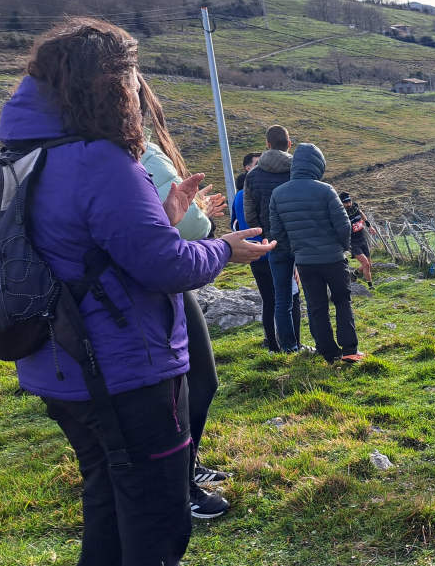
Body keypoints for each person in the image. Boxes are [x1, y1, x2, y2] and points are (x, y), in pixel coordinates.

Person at [0, 17, 274, 566]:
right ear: (105, 85)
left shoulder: (25, 155)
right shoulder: (98, 159)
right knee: (154, 487)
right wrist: (224, 249)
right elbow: (165, 265)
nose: (137, 92)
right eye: (130, 78)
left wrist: (163, 213)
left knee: (105, 477)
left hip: (56, 361)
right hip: (124, 361)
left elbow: (88, 246)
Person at [137, 73, 231, 519]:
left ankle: (183, 469)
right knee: (194, 381)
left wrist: (192, 213)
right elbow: (189, 229)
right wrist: (206, 223)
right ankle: (181, 482)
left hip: (121, 285)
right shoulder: (143, 151)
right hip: (155, 282)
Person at [268, 143, 363, 363]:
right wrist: (343, 247)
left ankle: (328, 353)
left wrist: (296, 250)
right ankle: (349, 350)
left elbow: (277, 231)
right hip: (333, 259)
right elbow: (343, 225)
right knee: (342, 301)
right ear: (317, 165)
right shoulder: (325, 190)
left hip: (304, 261)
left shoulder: (278, 194)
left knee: (316, 306)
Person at [233, 151, 303, 351]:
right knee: (289, 298)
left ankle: (273, 345)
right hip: (272, 248)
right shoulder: (266, 190)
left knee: (269, 300)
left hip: (254, 253)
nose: (263, 167)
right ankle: (293, 344)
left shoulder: (239, 196)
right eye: (257, 164)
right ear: (248, 168)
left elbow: (235, 224)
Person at [338, 190, 375, 285]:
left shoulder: (355, 206)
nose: (349, 204)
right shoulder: (340, 213)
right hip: (353, 242)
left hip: (362, 238)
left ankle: (354, 273)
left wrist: (369, 226)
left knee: (369, 265)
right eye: (346, 202)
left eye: (349, 201)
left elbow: (361, 213)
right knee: (366, 264)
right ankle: (371, 286)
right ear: (342, 203)